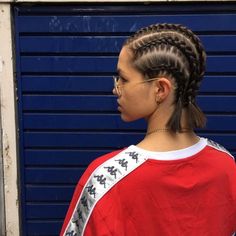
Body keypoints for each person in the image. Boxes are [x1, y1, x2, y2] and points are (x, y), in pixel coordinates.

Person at [60, 23, 236, 236]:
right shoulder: (226, 165)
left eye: (124, 79)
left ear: (160, 89)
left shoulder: (104, 180)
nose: (116, 89)